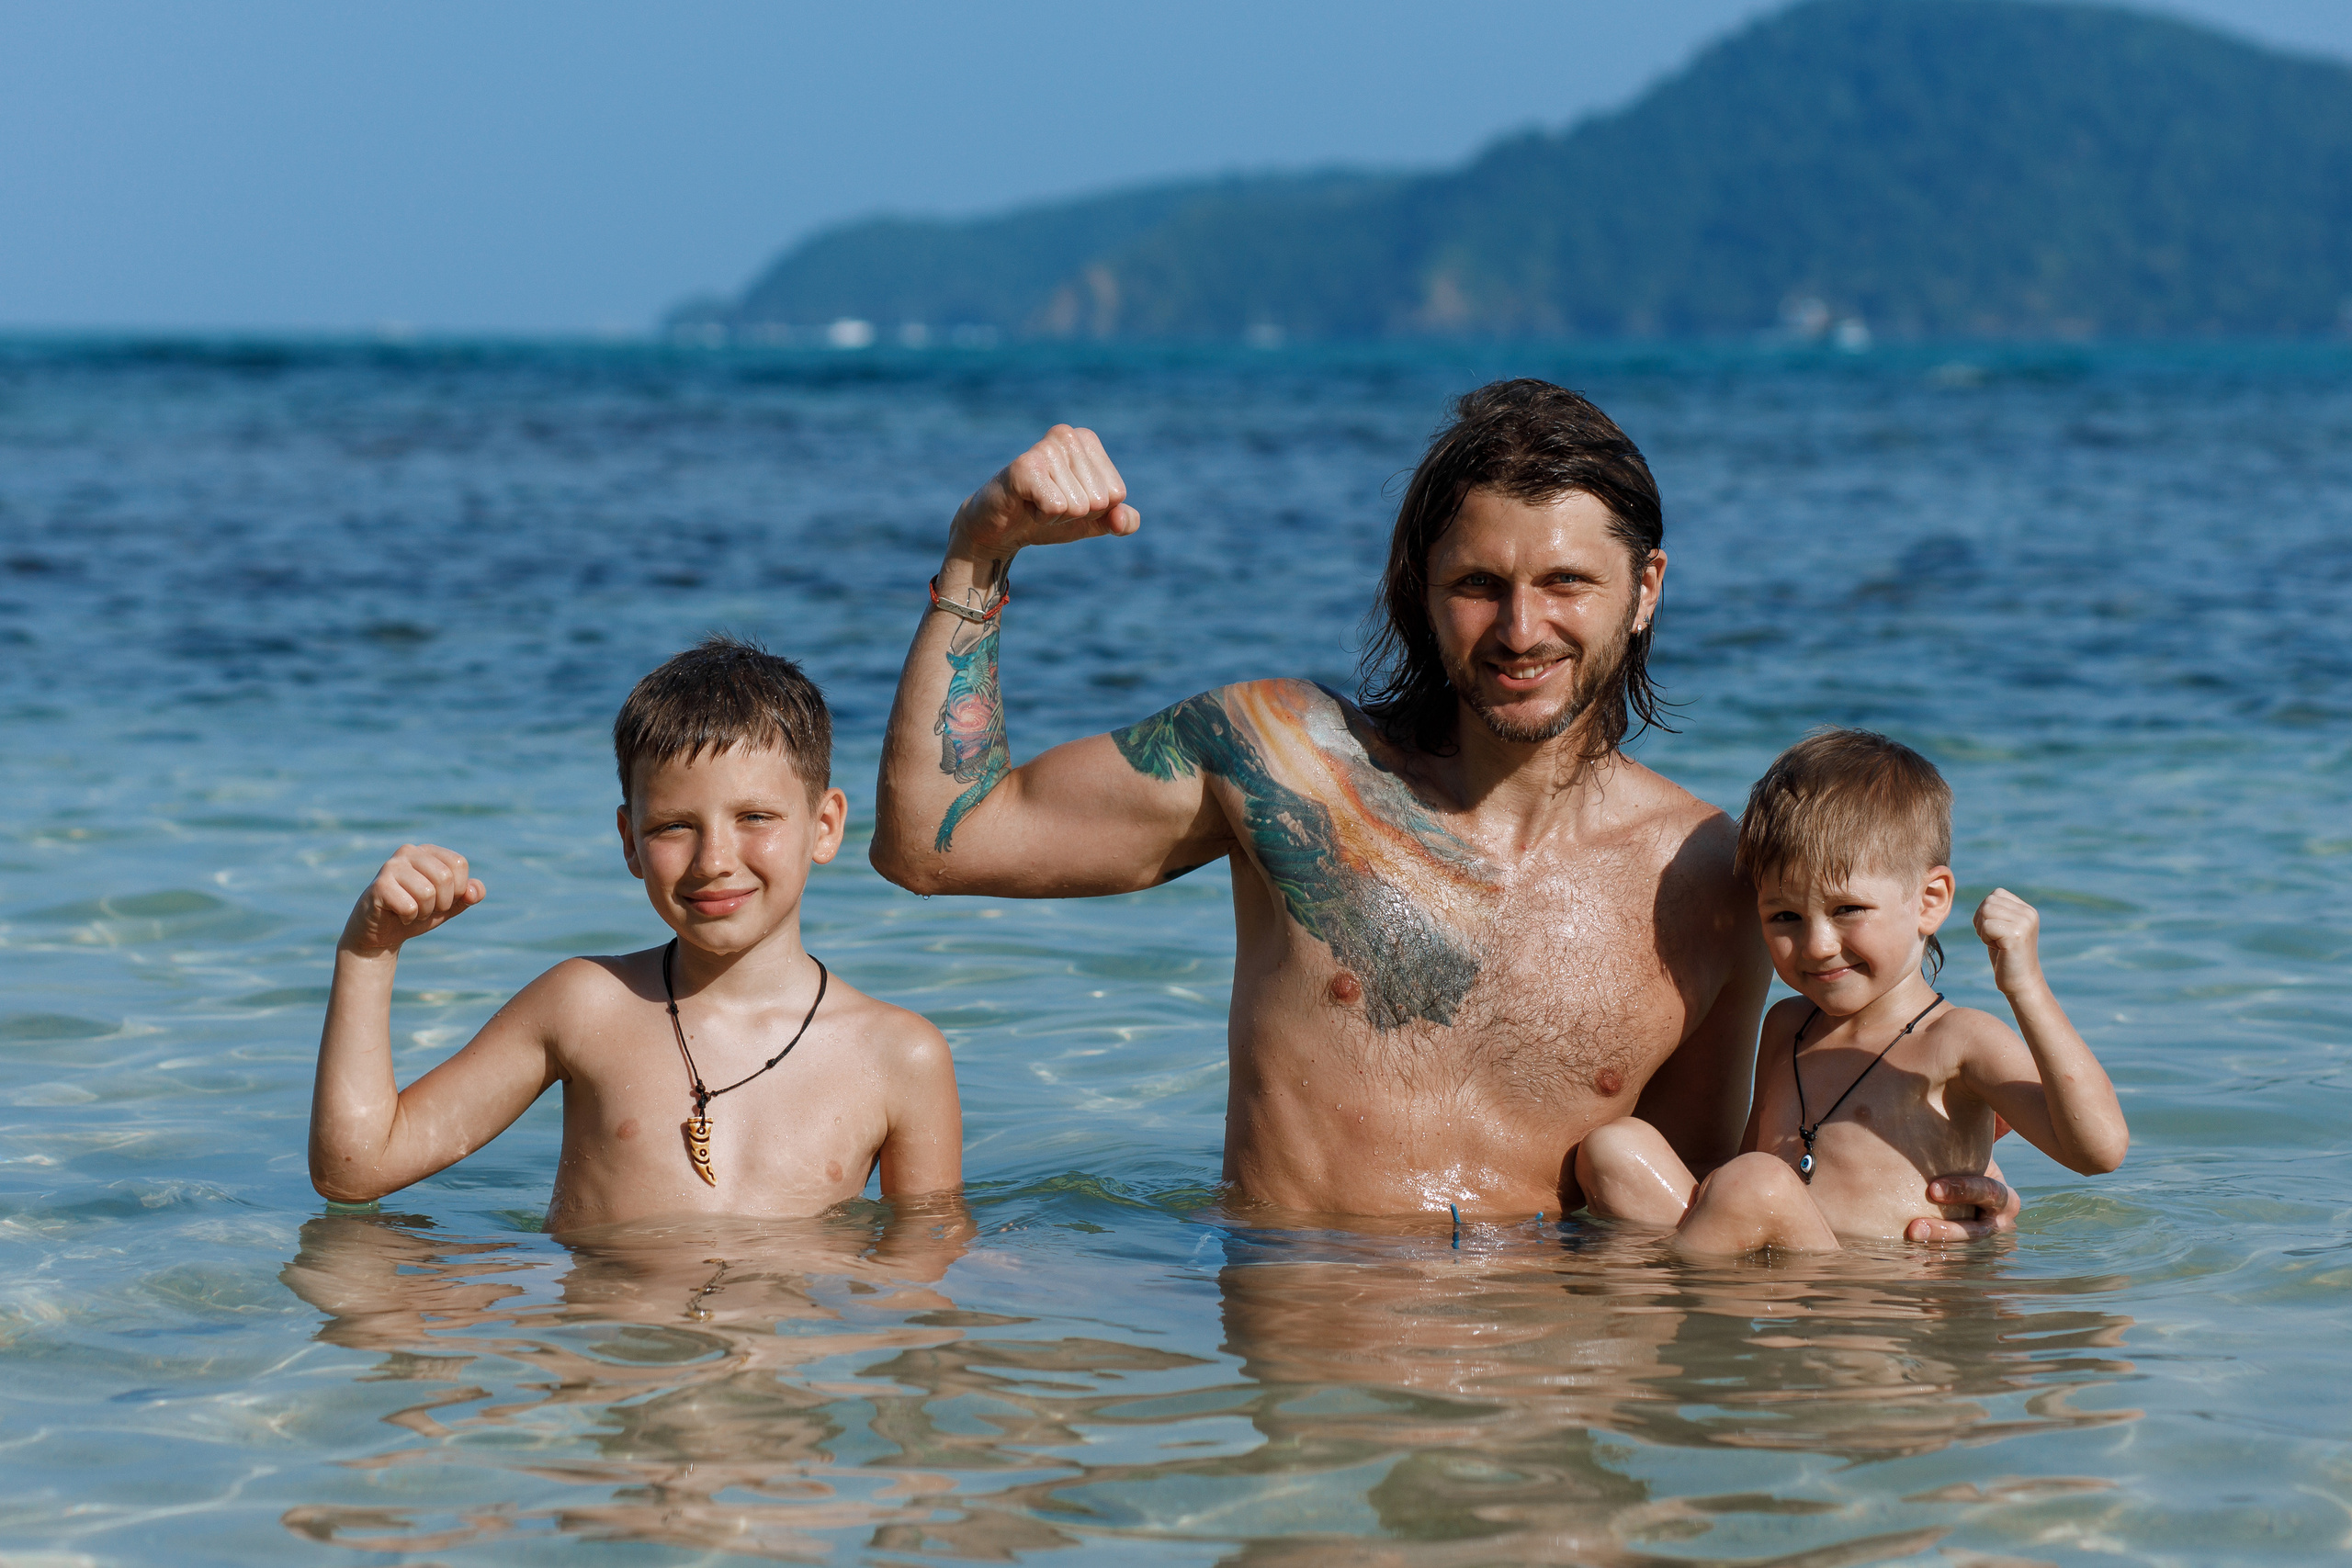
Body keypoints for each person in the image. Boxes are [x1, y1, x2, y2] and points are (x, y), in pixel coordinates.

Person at [870, 380, 2014, 1235]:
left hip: (1554, 1387)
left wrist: (1916, 1205)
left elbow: (1703, 1208)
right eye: (1477, 585)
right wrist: (982, 553)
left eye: (1565, 583)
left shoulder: (1711, 879)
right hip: (1314, 1366)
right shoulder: (1281, 761)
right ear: (1419, 589)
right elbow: (933, 842)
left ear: (1645, 590)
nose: (1520, 629)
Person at [309, 635, 964, 1232]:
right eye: (673, 826)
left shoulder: (898, 1056)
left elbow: (923, 1268)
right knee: (357, 1281)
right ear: (629, 841)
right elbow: (355, 1171)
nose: (714, 860)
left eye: (755, 817)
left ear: (824, 826)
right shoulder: (585, 1005)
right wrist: (369, 954)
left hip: (792, 1327)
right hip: (604, 1323)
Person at [1576, 729, 2128, 1251]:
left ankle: (1678, 1304)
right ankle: (1656, 1291)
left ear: (1930, 901)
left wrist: (2025, 987)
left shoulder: (1959, 1040)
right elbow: (1738, 1171)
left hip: (1875, 1297)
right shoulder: (1787, 1027)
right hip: (1778, 1271)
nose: (1816, 945)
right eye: (1785, 916)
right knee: (1616, 1149)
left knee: (1757, 1182)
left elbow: (2098, 1150)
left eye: (1848, 910)